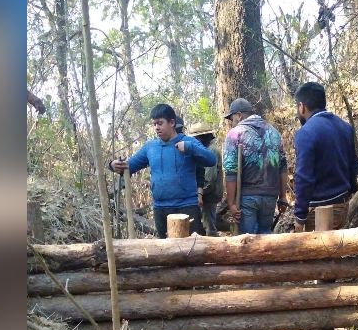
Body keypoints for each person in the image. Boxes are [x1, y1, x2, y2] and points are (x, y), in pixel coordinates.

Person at [108, 104, 216, 238]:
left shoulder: (189, 142)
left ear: (172, 122)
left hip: (187, 206)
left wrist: (190, 148)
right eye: (154, 124)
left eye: (160, 123)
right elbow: (129, 166)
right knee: (165, 252)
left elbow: (211, 160)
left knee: (193, 250)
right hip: (161, 208)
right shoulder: (150, 147)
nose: (156, 128)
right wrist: (113, 165)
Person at [291, 82, 358, 232]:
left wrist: (300, 216)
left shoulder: (305, 133)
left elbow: (303, 177)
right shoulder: (345, 127)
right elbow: (353, 164)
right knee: (334, 251)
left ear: (302, 106)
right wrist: (352, 190)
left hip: (319, 211)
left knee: (319, 253)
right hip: (342, 203)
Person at [221, 98, 289, 234]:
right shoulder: (274, 132)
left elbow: (231, 171)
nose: (232, 123)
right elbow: (282, 166)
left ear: (239, 115)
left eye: (232, 119)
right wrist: (282, 197)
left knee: (247, 240)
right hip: (270, 196)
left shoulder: (235, 134)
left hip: (247, 197)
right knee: (265, 235)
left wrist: (232, 204)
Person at [186, 122, 225, 236]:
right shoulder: (208, 149)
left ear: (202, 137)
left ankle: (213, 250)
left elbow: (209, 178)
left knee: (209, 227)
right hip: (209, 194)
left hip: (209, 195)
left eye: (196, 139)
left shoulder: (210, 151)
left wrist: (200, 194)